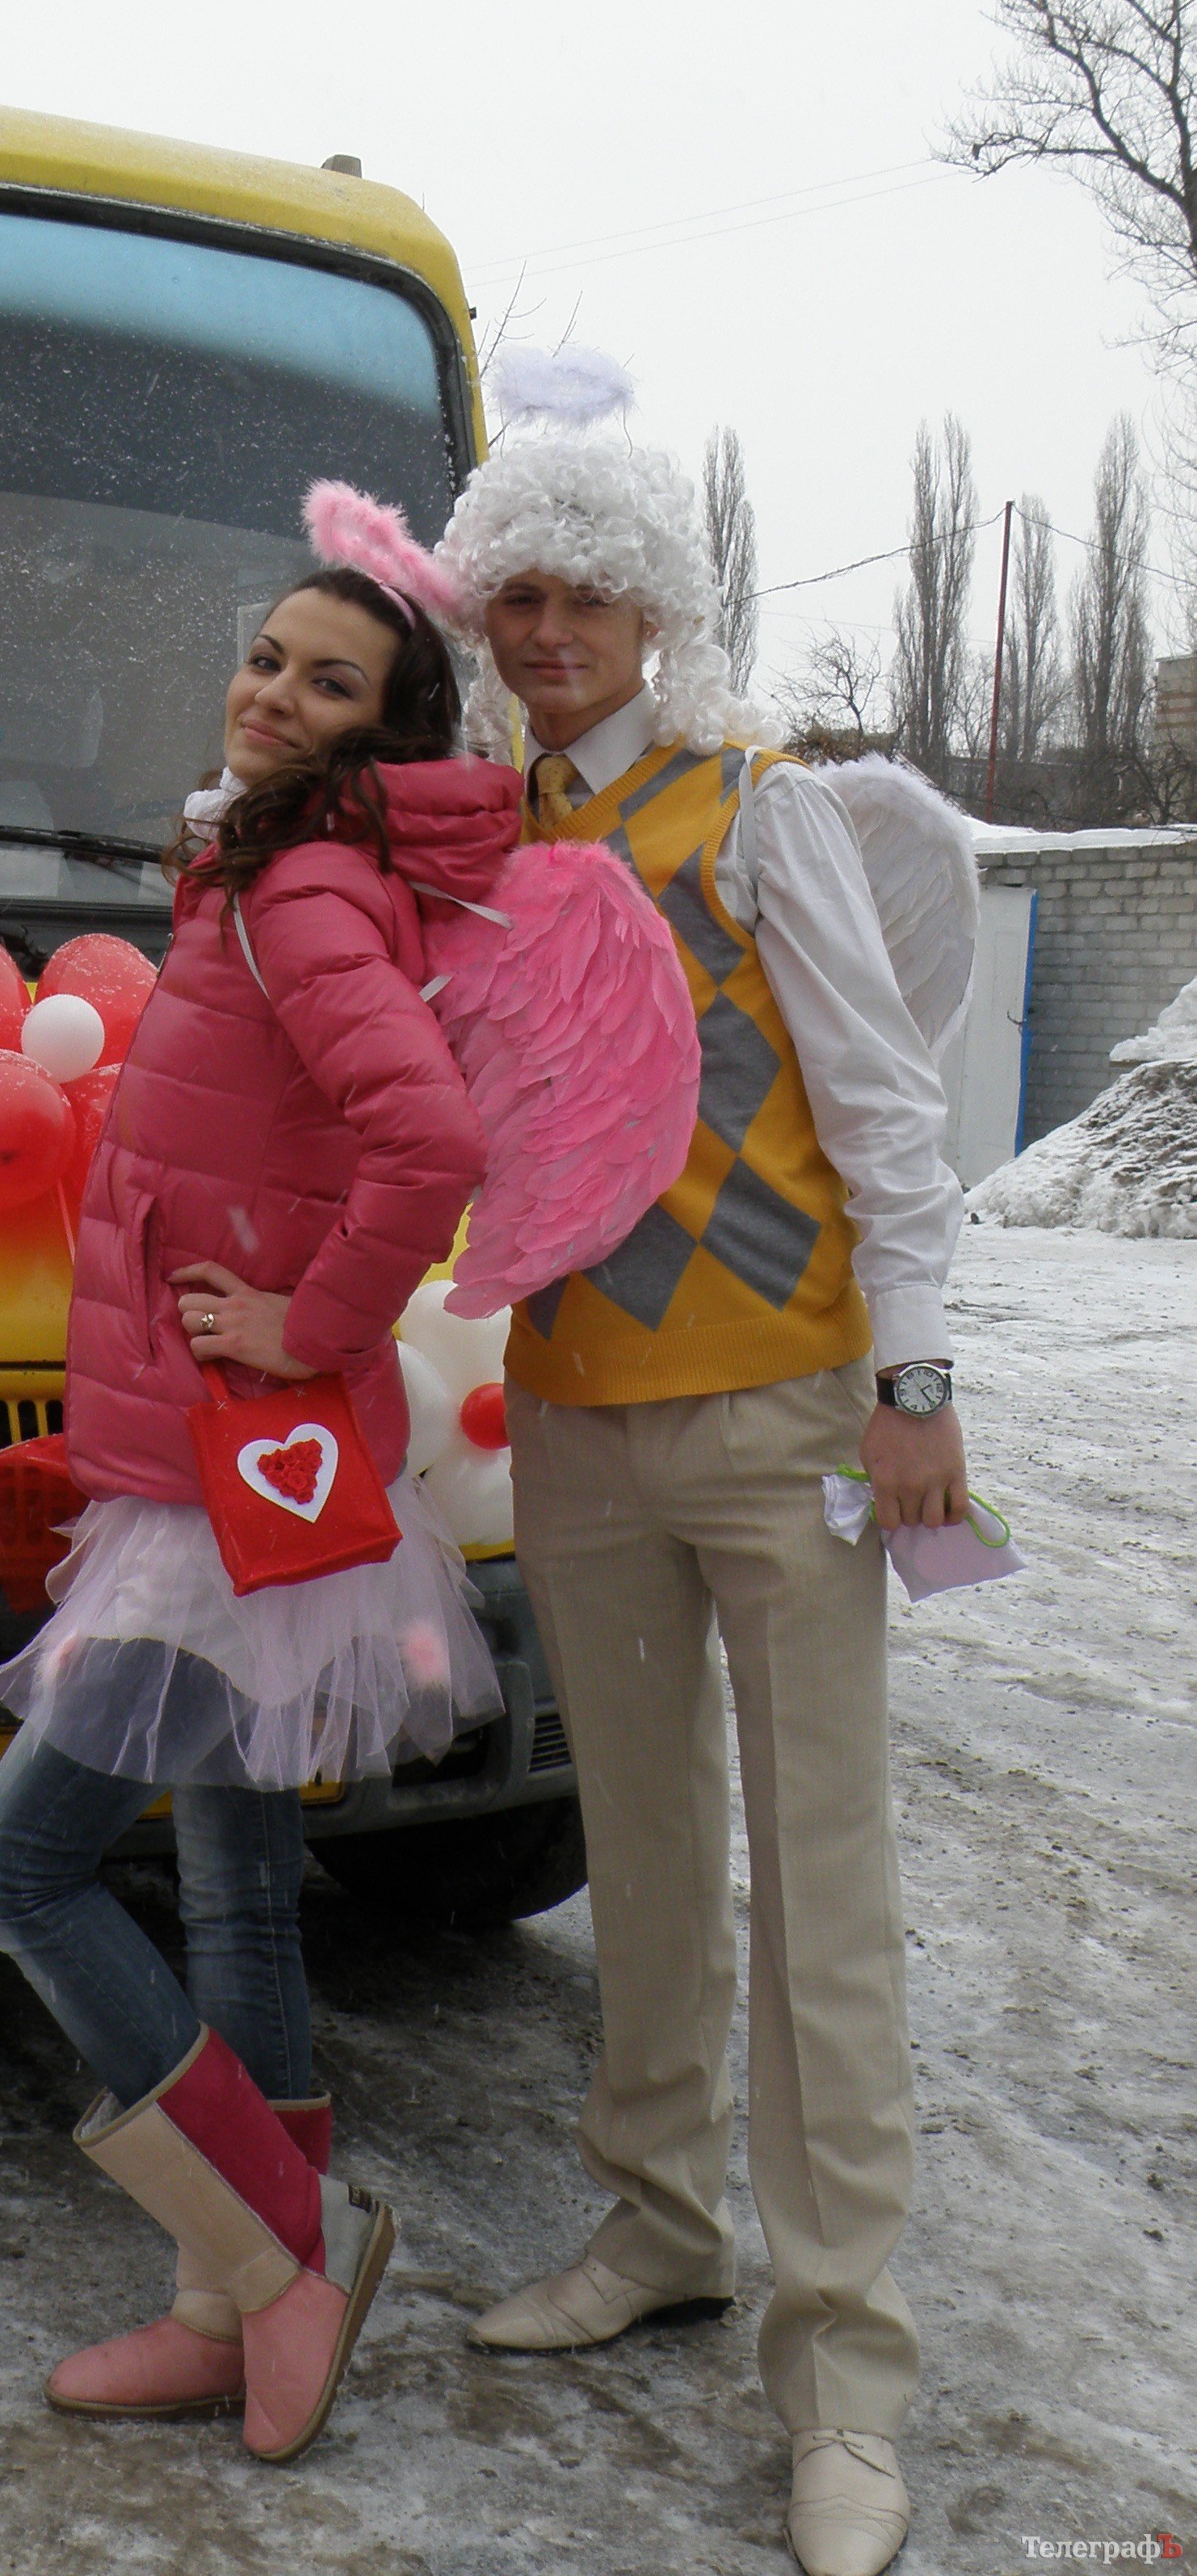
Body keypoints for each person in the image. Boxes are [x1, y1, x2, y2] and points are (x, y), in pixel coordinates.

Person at [437, 405, 968, 2576]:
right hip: (572, 1418)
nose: (552, 630)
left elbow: (890, 1105)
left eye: (586, 591)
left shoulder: (762, 811)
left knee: (818, 1900)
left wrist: (918, 1381)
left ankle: (846, 2373)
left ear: (658, 600)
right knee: (646, 1866)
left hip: (792, 1424)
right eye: (520, 596)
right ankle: (657, 2227)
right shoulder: (477, 835)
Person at [0, 485, 519, 2465]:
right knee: (241, 1892)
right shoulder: (266, 867)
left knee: (16, 1864)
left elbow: (429, 1144)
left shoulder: (295, 894)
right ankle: (228, 2305)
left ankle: (279, 2261)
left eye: (330, 681)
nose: (276, 695)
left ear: (391, 726)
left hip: (227, 1477)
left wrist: (312, 1323)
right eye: (268, 658)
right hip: (222, 1476)